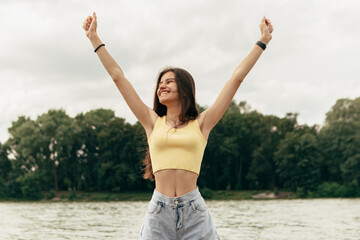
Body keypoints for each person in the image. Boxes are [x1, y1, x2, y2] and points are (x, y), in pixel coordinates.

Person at [82, 12, 273, 240]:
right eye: (160, 83)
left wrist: (263, 40)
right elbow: (118, 77)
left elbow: (236, 78)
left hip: (194, 210)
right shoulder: (151, 122)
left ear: (184, 89)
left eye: (169, 81)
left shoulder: (202, 123)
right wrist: (94, 39)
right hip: (158, 211)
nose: (162, 86)